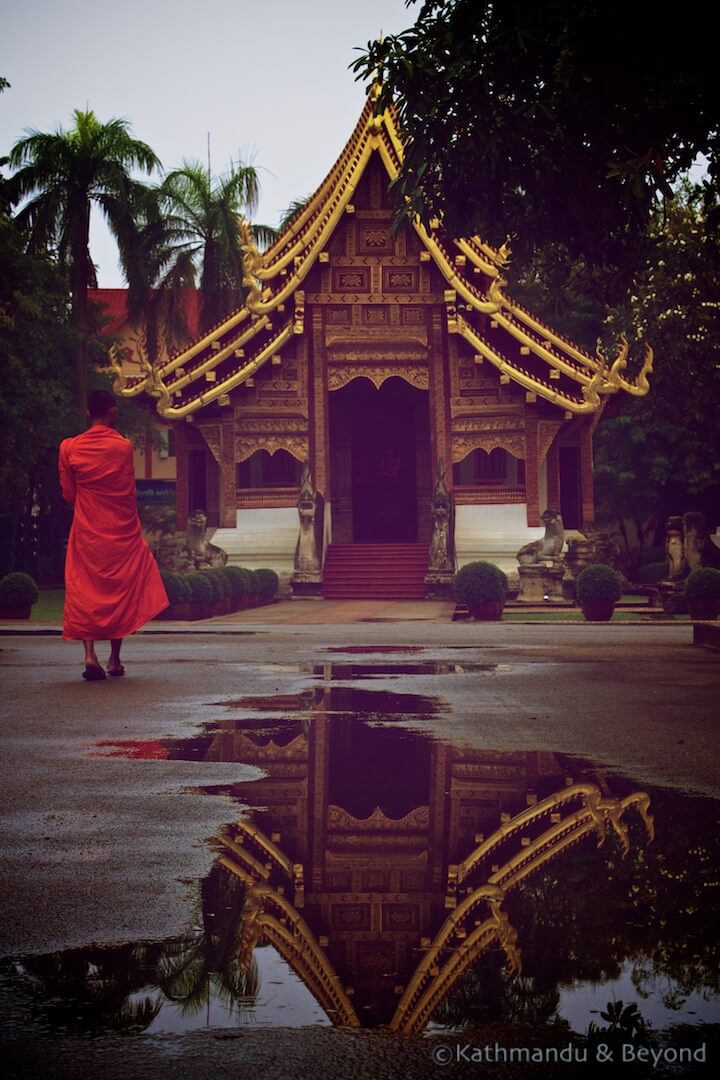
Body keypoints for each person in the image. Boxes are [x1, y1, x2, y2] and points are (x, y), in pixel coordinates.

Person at [59, 389, 168, 680]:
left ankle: (89, 655)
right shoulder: (123, 447)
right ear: (112, 412)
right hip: (119, 530)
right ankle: (115, 659)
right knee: (120, 588)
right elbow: (128, 494)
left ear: (87, 414)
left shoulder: (69, 448)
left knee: (85, 588)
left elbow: (69, 494)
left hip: (86, 531)